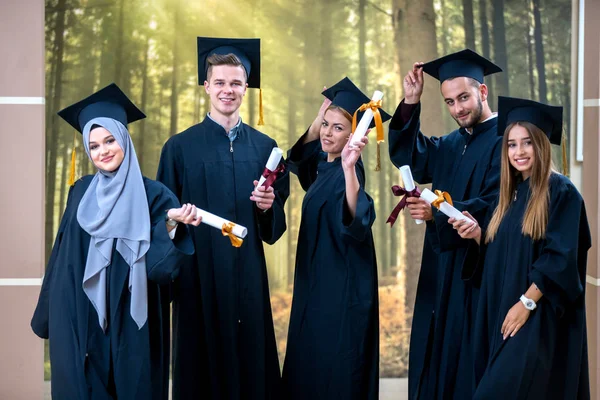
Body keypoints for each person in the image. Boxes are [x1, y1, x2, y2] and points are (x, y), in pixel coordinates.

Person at [31, 83, 198, 399]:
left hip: (132, 322)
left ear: (124, 139)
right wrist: (49, 315)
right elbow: (62, 257)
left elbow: (161, 272)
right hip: (81, 315)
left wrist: (171, 226)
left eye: (109, 140)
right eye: (93, 146)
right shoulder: (80, 193)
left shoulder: (156, 196)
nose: (103, 151)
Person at [156, 37, 289, 400]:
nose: (227, 90)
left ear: (247, 87)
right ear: (206, 86)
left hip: (246, 271)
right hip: (197, 275)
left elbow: (274, 228)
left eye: (235, 83)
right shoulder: (179, 147)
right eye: (219, 82)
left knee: (249, 359)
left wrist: (266, 206)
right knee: (199, 363)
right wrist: (173, 221)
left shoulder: (266, 148)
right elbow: (160, 219)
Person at [450, 96, 591, 399]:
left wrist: (525, 304)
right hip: (503, 315)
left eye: (526, 142)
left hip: (535, 317)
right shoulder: (509, 197)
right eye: (511, 145)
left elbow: (560, 259)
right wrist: (478, 236)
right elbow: (504, 257)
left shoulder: (560, 191)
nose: (519, 152)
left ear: (540, 144)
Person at [387, 49, 503, 399]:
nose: (458, 109)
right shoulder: (451, 144)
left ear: (482, 92)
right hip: (441, 271)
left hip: (477, 272)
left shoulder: (507, 140)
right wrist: (410, 103)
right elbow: (410, 155)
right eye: (450, 102)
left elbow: (497, 203)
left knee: (469, 361)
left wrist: (436, 212)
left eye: (464, 98)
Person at [282, 77, 389, 400]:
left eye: (338, 128)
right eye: (326, 125)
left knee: (338, 369)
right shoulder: (321, 167)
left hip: (343, 290)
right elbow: (297, 160)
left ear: (355, 135)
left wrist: (348, 167)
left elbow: (357, 217)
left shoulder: (349, 172)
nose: (328, 133)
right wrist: (318, 120)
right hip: (317, 285)